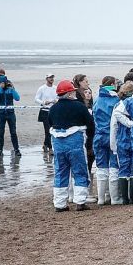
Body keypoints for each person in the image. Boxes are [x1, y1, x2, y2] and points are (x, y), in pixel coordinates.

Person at [47, 80, 95, 212]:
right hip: (75, 142)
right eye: (73, 91)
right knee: (80, 171)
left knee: (60, 173)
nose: (74, 92)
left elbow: (50, 123)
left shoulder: (53, 108)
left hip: (58, 144)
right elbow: (90, 124)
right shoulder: (79, 106)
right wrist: (90, 140)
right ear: (69, 93)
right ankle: (80, 202)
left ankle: (60, 203)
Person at [92, 76, 121, 205]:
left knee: (101, 167)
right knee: (114, 167)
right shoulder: (115, 100)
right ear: (112, 85)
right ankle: (114, 198)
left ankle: (101, 198)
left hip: (99, 136)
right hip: (112, 136)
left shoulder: (97, 99)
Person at [110, 83, 133, 204]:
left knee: (123, 167)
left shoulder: (118, 105)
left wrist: (113, 144)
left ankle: (125, 198)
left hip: (122, 138)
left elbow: (114, 126)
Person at [0, 75, 21, 157]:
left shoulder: (10, 89)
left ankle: (16, 149)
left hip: (10, 113)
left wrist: (12, 89)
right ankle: (0, 150)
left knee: (13, 132)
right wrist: (0, 88)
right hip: (0, 114)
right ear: (0, 83)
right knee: (1, 132)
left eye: (5, 83)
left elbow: (17, 98)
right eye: (2, 83)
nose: (4, 84)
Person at [35, 73, 58, 154]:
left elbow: (59, 97)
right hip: (44, 111)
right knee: (47, 130)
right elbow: (36, 99)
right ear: (46, 79)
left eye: (52, 77)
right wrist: (44, 102)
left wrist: (56, 101)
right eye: (50, 77)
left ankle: (45, 144)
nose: (51, 79)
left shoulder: (55, 88)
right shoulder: (42, 88)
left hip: (53, 111)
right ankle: (50, 148)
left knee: (53, 129)